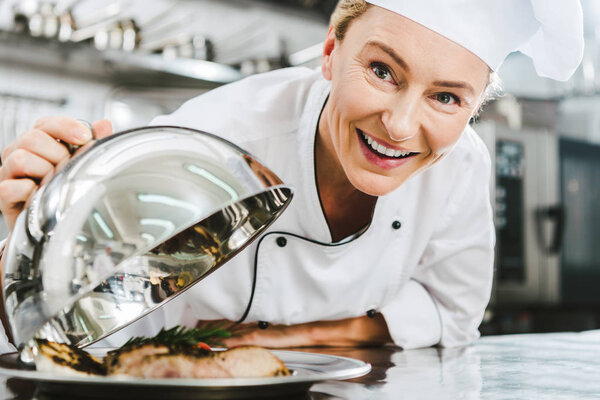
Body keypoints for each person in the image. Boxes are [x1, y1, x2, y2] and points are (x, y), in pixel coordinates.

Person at [0, 0, 584, 352]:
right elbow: (80, 324)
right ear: (330, 51)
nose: (402, 126)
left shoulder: (460, 165)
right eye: (382, 70)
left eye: (448, 99)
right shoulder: (217, 140)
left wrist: (279, 338)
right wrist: (45, 237)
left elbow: (452, 316)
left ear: (474, 110)